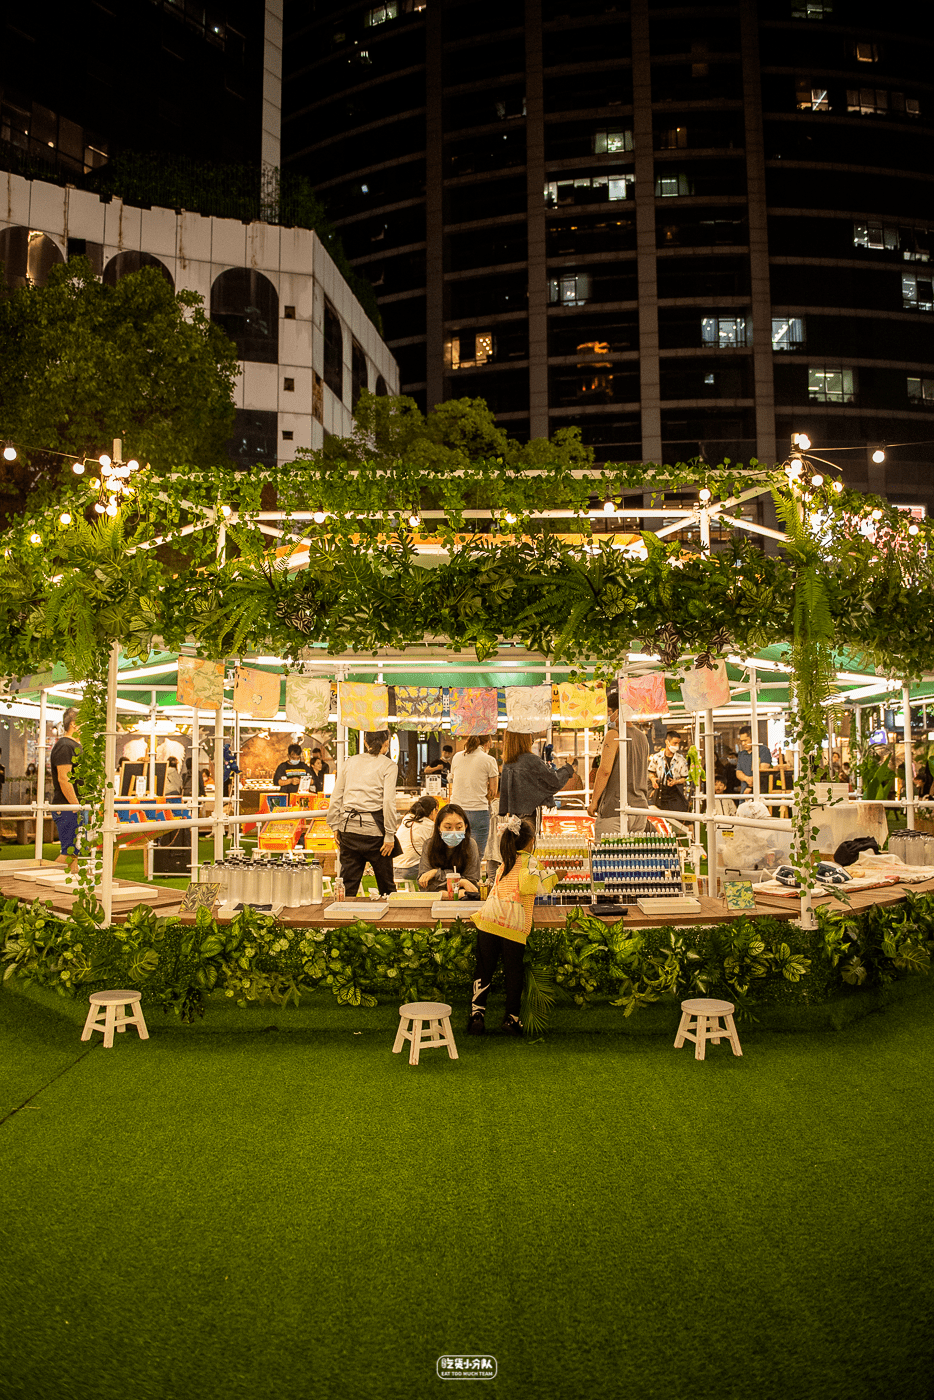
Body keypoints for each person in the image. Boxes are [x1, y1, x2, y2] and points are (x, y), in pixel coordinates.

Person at [468, 815, 559, 1037]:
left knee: (484, 968)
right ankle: (511, 1018)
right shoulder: (530, 862)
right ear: (530, 842)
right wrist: (558, 875)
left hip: (489, 920)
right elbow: (536, 886)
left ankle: (476, 1015)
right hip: (513, 923)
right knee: (513, 971)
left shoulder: (505, 863)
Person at [326, 728, 399, 897]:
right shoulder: (388, 765)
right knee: (387, 888)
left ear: (365, 742)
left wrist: (335, 825)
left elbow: (336, 796)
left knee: (348, 887)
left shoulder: (350, 762)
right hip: (376, 834)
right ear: (386, 743)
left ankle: (343, 920)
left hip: (348, 830)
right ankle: (393, 923)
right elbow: (388, 802)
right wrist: (389, 834)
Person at [588, 689, 650, 836]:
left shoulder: (614, 734)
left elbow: (604, 770)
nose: (608, 716)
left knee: (608, 857)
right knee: (631, 857)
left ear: (618, 711)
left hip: (616, 808)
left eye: (609, 711)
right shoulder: (642, 737)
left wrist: (594, 801)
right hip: (639, 809)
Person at [498, 732, 573, 826]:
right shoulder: (532, 760)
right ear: (525, 739)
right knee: (530, 839)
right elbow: (555, 781)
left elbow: (504, 795)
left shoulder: (507, 762)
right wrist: (568, 767)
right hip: (530, 814)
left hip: (513, 817)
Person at [449, 734, 498, 860]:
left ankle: (456, 879)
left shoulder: (457, 756)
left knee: (456, 853)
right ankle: (471, 879)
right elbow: (493, 791)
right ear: (487, 743)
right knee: (476, 855)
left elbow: (455, 780)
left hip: (456, 811)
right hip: (479, 812)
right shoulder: (489, 760)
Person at [417, 803, 482, 895]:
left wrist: (436, 873)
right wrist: (460, 883)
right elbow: (423, 881)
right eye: (448, 827)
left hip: (461, 900)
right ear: (439, 827)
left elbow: (471, 883)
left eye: (459, 827)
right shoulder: (429, 845)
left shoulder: (470, 845)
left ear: (465, 826)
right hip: (439, 898)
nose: (454, 831)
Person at [50, 707, 84, 869]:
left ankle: (72, 887)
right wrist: (75, 805)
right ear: (74, 724)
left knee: (74, 852)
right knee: (69, 852)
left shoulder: (73, 745)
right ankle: (41, 877)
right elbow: (64, 778)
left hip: (74, 805)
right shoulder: (65, 745)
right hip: (68, 805)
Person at [394, 795, 438, 883]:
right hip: (412, 869)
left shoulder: (406, 819)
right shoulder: (430, 825)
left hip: (394, 868)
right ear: (433, 811)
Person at [648, 730, 691, 812]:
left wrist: (676, 782)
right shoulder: (657, 757)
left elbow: (684, 778)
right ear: (667, 742)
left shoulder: (681, 760)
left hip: (675, 796)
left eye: (678, 743)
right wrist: (653, 779)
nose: (677, 746)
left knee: (679, 819)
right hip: (660, 796)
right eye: (675, 743)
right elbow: (651, 773)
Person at [736, 726, 772, 797]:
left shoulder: (763, 750)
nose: (743, 744)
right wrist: (747, 779)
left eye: (745, 740)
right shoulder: (742, 754)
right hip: (744, 792)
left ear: (753, 738)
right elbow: (738, 772)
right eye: (741, 741)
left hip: (760, 790)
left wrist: (751, 787)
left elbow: (762, 769)